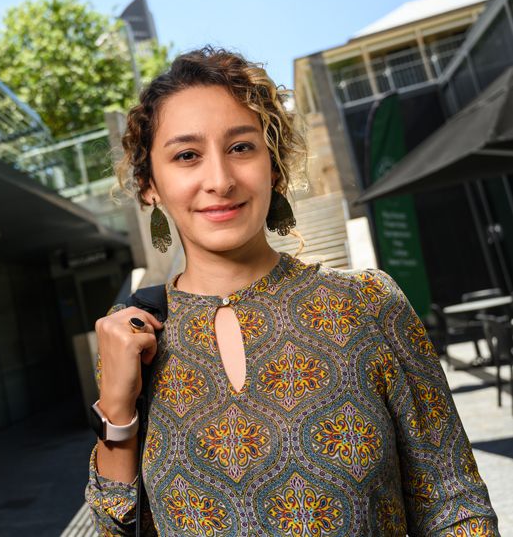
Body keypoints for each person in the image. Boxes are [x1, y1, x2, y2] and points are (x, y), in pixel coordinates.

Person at [85, 47, 498, 535]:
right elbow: (116, 527)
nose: (219, 180)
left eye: (241, 147)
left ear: (274, 167)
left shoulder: (366, 305)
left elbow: (454, 506)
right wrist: (116, 409)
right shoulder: (133, 333)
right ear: (149, 184)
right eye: (187, 156)